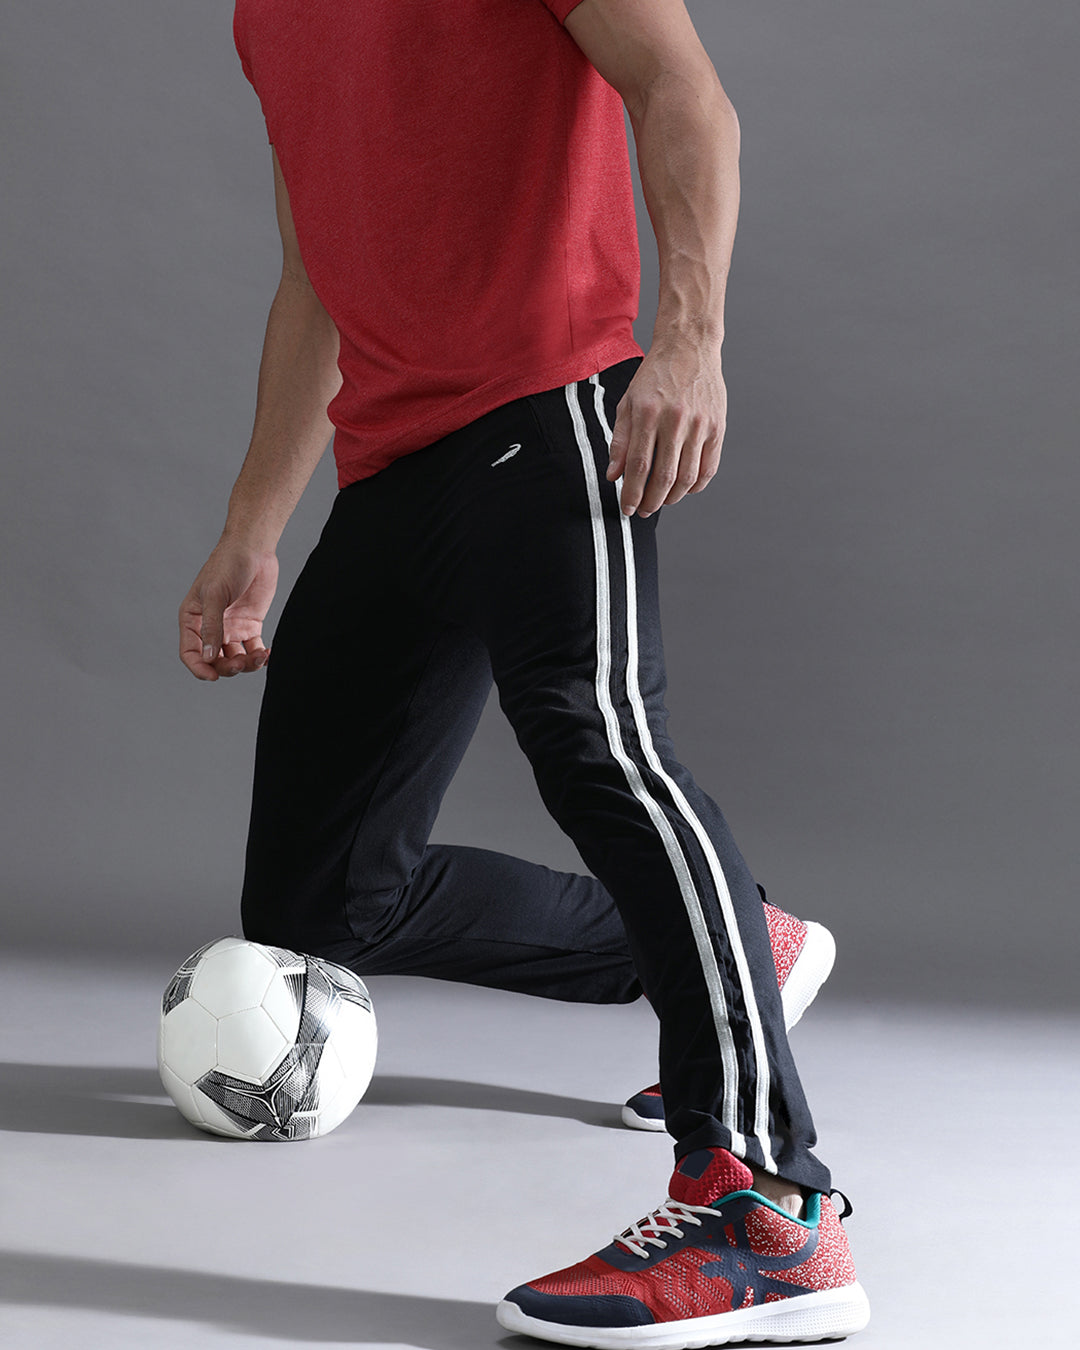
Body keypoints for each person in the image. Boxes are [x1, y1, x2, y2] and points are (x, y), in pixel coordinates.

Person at [179, 2, 870, 1343]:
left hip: (551, 407)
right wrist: (251, 533)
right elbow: (317, 275)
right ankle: (742, 945)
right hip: (393, 468)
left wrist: (689, 340)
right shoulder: (268, 17)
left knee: (602, 746)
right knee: (323, 899)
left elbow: (688, 95)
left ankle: (769, 1208)